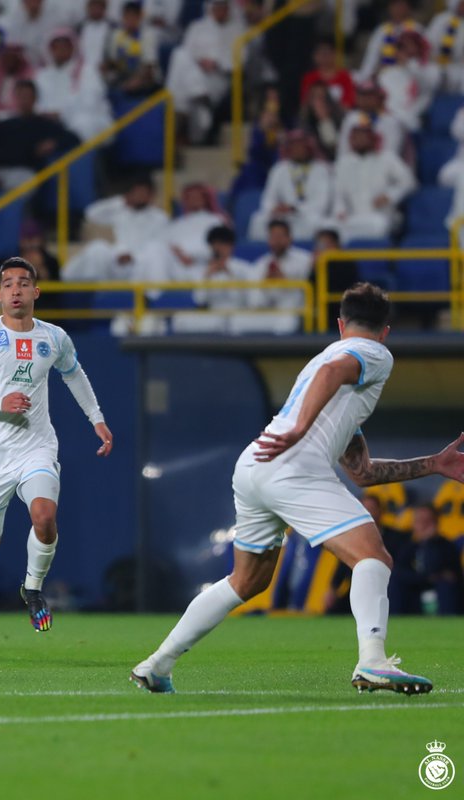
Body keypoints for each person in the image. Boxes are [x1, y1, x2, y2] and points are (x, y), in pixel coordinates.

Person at [132, 283, 464, 695]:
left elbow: (361, 473)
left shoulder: (327, 375)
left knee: (246, 581)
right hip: (293, 468)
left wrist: (433, 464)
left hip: (254, 465)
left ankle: (157, 663)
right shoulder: (373, 354)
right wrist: (301, 429)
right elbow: (333, 372)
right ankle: (373, 662)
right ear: (385, 331)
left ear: (339, 324)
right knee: (373, 556)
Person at [0, 257, 111, 656]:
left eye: (23, 283)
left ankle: (33, 589)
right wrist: (0, 402)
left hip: (35, 447)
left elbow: (74, 373)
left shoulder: (54, 338)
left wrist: (96, 418)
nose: (16, 290)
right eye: (8, 284)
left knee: (44, 517)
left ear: (35, 292)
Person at [0, 79, 74, 203]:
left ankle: (7, 206)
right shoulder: (5, 124)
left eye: (27, 96)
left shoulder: (44, 124)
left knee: (26, 182)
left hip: (21, 173)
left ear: (35, 98)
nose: (24, 100)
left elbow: (72, 138)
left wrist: (53, 143)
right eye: (20, 96)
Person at [61, 175, 170, 282]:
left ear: (151, 195)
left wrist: (134, 257)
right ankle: (95, 289)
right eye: (136, 192)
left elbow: (159, 245)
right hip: (118, 260)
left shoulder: (160, 217)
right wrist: (121, 201)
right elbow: (91, 213)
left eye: (143, 193)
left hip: (143, 264)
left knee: (155, 252)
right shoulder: (121, 211)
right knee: (97, 248)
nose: (139, 196)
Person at [164, 0, 243, 144]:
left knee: (183, 89)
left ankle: (180, 107)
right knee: (179, 55)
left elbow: (242, 60)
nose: (220, 11)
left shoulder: (238, 29)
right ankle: (200, 99)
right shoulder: (197, 27)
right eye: (216, 7)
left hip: (219, 77)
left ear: (228, 9)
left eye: (223, 7)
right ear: (210, 8)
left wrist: (217, 64)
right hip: (196, 73)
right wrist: (201, 62)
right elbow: (187, 54)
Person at [328, 120, 415, 243]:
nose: (359, 140)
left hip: (381, 216)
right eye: (356, 136)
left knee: (378, 225)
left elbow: (409, 181)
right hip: (353, 218)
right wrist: (340, 211)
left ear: (372, 138)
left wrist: (389, 196)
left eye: (363, 136)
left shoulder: (387, 157)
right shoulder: (343, 162)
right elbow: (338, 194)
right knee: (329, 227)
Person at [249, 130, 332, 242]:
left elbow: (322, 203)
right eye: (294, 146)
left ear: (308, 147)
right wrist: (275, 208)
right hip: (283, 216)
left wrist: (295, 209)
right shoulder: (279, 169)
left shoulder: (321, 169)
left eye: (300, 145)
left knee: (319, 223)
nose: (297, 149)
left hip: (309, 215)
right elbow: (268, 199)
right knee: (257, 220)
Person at [34, 28, 113, 142]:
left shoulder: (87, 70)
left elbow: (91, 101)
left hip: (81, 119)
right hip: (48, 121)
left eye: (65, 47)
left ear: (73, 48)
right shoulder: (43, 75)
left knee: (84, 124)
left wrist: (62, 114)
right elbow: (36, 102)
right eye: (56, 47)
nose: (61, 51)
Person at [391, 504, 463, 615]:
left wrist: (429, 543)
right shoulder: (406, 545)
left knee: (446, 587)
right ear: (414, 524)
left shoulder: (446, 546)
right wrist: (426, 577)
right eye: (420, 521)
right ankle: (395, 619)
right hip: (414, 586)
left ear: (436, 523)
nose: (424, 525)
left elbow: (436, 568)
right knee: (396, 584)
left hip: (439, 589)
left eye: (428, 521)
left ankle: (447, 621)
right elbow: (399, 571)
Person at [427, 0, 464, 92]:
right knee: (431, 75)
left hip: (457, 67)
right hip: (435, 64)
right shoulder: (440, 19)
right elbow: (429, 42)